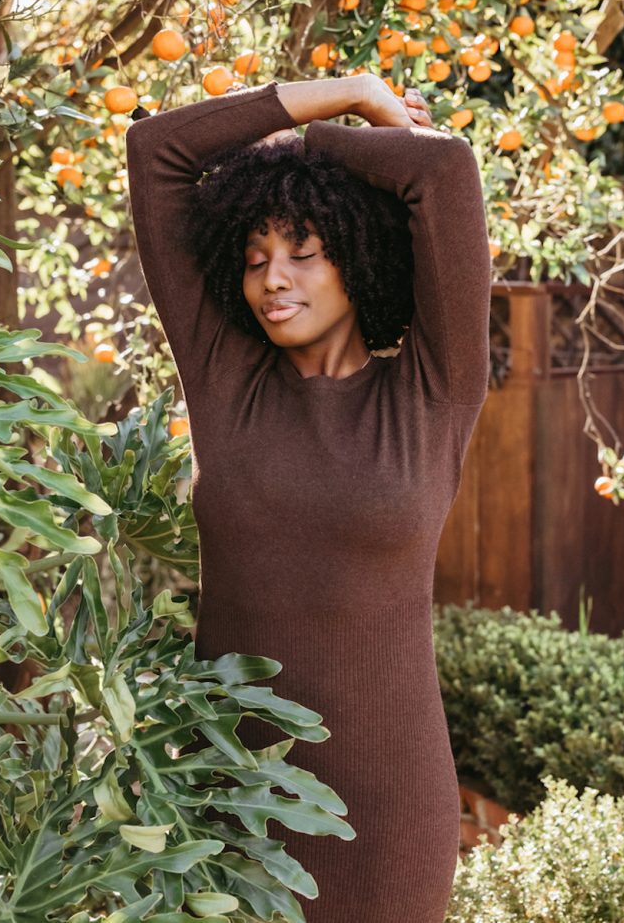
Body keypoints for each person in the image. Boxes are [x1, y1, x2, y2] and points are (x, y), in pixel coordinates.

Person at [125, 72, 491, 923]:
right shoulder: (228, 382)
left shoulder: (433, 396)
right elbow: (157, 152)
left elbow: (444, 175)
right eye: (254, 259)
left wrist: (337, 141)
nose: (272, 280)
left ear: (358, 257)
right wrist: (341, 93)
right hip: (233, 796)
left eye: (302, 249)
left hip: (390, 807)